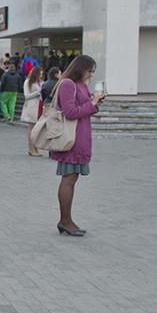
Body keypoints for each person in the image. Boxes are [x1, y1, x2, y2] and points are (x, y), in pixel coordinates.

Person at [51, 55, 104, 237]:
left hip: (80, 136)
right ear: (80, 69)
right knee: (69, 178)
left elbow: (83, 108)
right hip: (71, 138)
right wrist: (92, 103)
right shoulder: (67, 84)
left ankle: (68, 220)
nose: (90, 75)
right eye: (90, 71)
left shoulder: (80, 85)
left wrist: (94, 104)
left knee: (72, 178)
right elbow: (71, 112)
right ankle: (65, 220)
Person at [22, 66, 44, 156]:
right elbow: (27, 96)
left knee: (38, 128)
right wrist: (38, 92)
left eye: (42, 74)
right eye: (40, 74)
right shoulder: (28, 82)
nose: (41, 76)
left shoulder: (41, 82)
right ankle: (31, 147)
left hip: (40, 105)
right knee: (32, 127)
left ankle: (36, 146)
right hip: (32, 106)